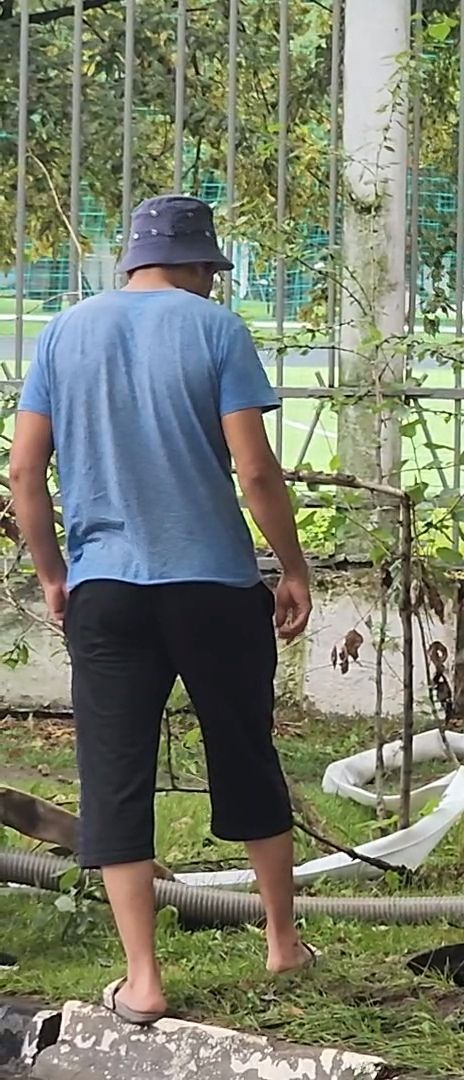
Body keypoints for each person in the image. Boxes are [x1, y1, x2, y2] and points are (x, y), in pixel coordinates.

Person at [10, 194, 316, 1024]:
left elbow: (24, 472)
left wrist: (51, 573)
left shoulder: (64, 333)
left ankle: (143, 979)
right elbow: (254, 470)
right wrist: (291, 568)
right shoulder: (215, 331)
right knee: (246, 752)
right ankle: (283, 943)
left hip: (106, 590)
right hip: (213, 586)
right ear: (201, 266)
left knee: (114, 776)